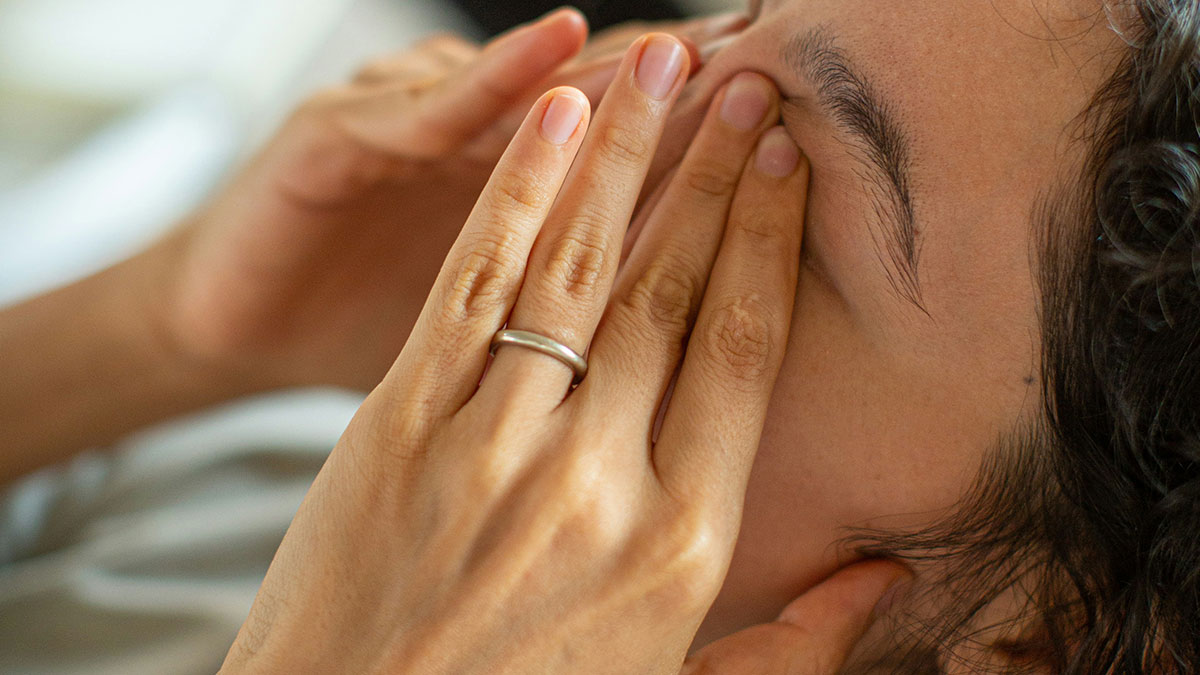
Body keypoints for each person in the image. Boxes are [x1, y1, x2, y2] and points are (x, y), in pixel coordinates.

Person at [0, 0, 1196, 671]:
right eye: (734, 10)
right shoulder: (333, 485)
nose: (638, 105)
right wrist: (169, 334)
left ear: (1044, 636)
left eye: (772, 176)